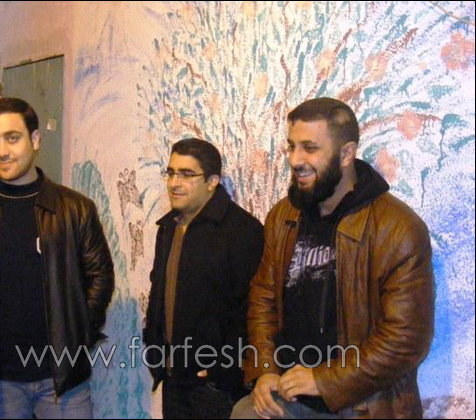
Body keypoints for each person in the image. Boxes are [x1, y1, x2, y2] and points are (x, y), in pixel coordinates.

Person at [231, 97, 434, 419]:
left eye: (310, 148)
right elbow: (263, 299)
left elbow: (407, 339)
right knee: (244, 413)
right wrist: (265, 370)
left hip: (364, 404)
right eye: (291, 146)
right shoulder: (283, 216)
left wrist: (324, 379)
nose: (295, 160)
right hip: (288, 398)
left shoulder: (398, 228)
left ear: (346, 154)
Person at [0, 97, 115, 419]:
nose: (2, 151)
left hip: (63, 380)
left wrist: (78, 334)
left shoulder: (75, 209)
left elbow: (99, 276)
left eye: (12, 138)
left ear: (35, 139)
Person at [143, 138, 264, 419]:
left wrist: (224, 369)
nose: (174, 183)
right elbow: (160, 293)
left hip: (215, 386)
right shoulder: (169, 226)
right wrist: (154, 349)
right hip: (173, 377)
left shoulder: (241, 230)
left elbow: (252, 309)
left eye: (187, 174)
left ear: (212, 181)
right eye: (171, 173)